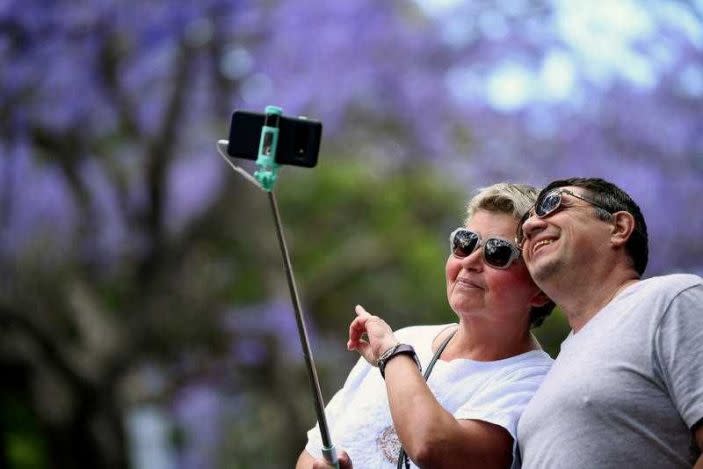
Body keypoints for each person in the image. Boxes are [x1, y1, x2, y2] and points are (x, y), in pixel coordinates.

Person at [296, 183, 555, 469]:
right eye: (464, 242)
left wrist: (392, 356)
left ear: (540, 289)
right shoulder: (407, 338)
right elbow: (311, 454)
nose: (469, 261)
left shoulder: (537, 384)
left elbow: (432, 447)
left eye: (497, 252)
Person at [516, 177, 703, 468]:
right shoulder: (555, 367)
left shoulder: (671, 300)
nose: (529, 227)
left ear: (618, 228)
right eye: (521, 232)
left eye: (551, 205)